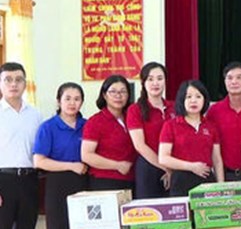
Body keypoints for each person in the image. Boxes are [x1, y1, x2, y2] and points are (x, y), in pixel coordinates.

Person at [33, 83, 88, 229]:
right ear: (58, 101)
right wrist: (71, 166)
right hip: (57, 183)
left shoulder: (86, 126)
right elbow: (39, 161)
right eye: (67, 98)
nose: (72, 103)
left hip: (83, 183)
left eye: (77, 99)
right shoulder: (48, 127)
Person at [0, 62, 42, 229]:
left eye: (18, 79)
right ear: (0, 84)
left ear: (25, 84)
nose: (13, 84)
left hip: (28, 180)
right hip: (3, 180)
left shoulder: (35, 115)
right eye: (8, 79)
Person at [159, 80, 224, 196]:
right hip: (181, 181)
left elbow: (217, 160)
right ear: (182, 100)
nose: (193, 100)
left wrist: (220, 186)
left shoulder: (211, 126)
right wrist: (191, 167)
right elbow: (163, 158)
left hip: (206, 180)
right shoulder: (170, 125)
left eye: (198, 96)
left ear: (204, 100)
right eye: (188, 97)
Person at [206, 62, 241, 181]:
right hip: (225, 175)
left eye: (239, 77)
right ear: (225, 82)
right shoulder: (214, 111)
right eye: (230, 78)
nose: (234, 82)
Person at [81, 75, 136, 191]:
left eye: (123, 92)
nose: (118, 96)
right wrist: (117, 165)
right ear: (104, 95)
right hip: (105, 181)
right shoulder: (95, 121)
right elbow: (86, 155)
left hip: (132, 180)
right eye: (113, 92)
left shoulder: (132, 118)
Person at [127, 62, 174, 198]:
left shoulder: (174, 107)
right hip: (149, 167)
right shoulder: (135, 110)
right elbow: (139, 145)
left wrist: (172, 169)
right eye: (150, 79)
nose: (155, 83)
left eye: (160, 78)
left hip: (174, 166)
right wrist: (166, 167)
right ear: (143, 82)